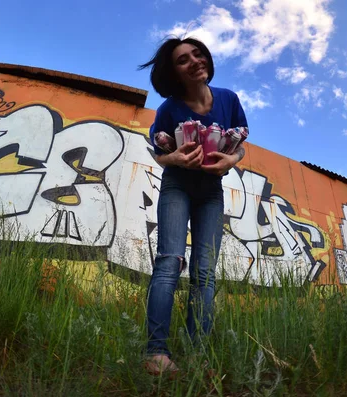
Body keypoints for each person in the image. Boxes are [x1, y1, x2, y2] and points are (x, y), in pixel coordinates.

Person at [138, 36, 248, 376]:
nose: (195, 61)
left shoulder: (228, 100)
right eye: (184, 59)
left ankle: (197, 355)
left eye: (197, 54)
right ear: (175, 72)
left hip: (211, 192)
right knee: (170, 263)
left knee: (205, 273)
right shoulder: (170, 108)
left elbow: (241, 147)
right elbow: (160, 154)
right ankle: (156, 352)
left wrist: (230, 161)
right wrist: (175, 158)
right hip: (178, 186)